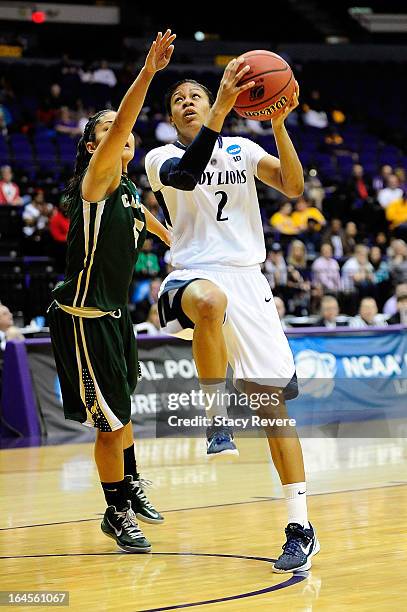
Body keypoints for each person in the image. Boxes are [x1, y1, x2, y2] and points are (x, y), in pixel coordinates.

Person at [145, 62, 320, 572]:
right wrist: (222, 108)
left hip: (250, 280)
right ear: (171, 117)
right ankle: (215, 413)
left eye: (196, 95)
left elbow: (292, 186)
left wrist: (280, 124)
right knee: (208, 303)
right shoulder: (161, 157)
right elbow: (188, 174)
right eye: (179, 99)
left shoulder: (243, 151)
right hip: (192, 272)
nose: (189, 102)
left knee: (273, 412)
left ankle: (300, 525)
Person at [47, 30, 175, 554]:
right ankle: (115, 511)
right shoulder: (97, 180)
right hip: (86, 316)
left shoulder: (124, 189)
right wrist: (147, 74)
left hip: (117, 316)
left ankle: (130, 482)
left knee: (122, 410)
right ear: (96, 145)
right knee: (110, 424)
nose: (124, 131)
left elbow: (147, 217)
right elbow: (124, 119)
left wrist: (178, 241)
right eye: (110, 129)